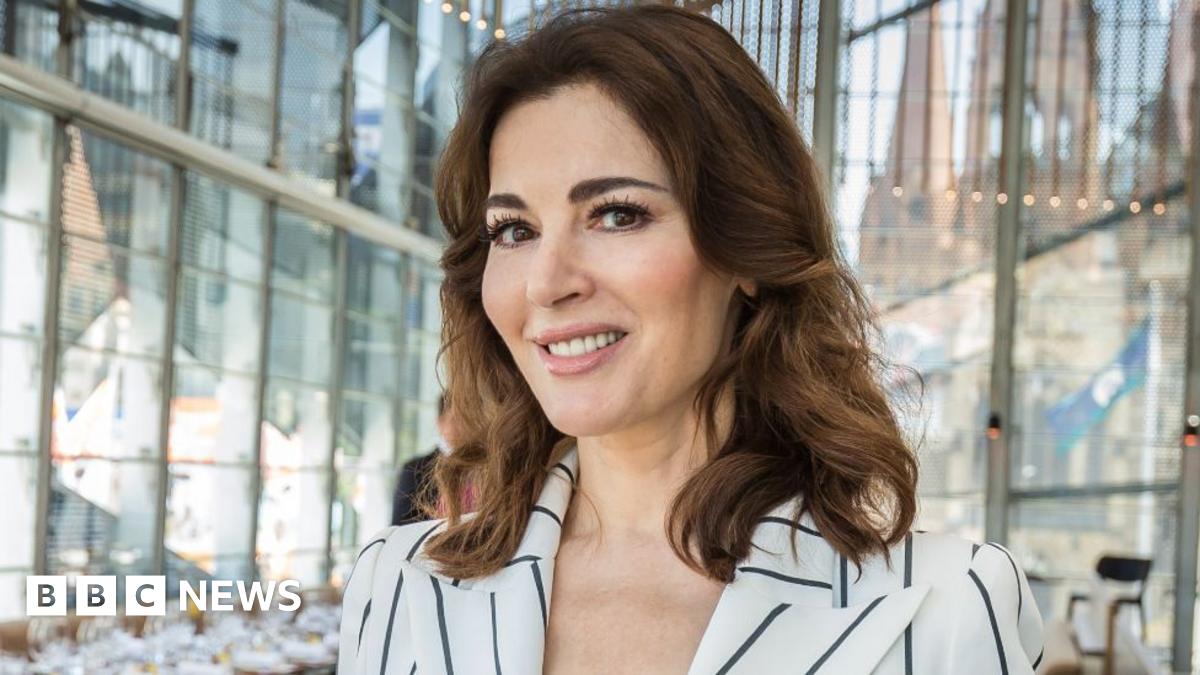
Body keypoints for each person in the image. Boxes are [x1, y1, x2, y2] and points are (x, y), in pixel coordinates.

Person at [339, 6, 1044, 674]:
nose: (546, 284)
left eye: (617, 215)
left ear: (745, 251)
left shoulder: (949, 608)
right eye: (514, 230)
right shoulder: (396, 586)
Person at [390, 395, 455, 526]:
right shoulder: (414, 469)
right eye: (456, 420)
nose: (467, 427)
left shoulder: (485, 469)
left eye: (470, 420)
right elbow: (401, 527)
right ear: (440, 423)